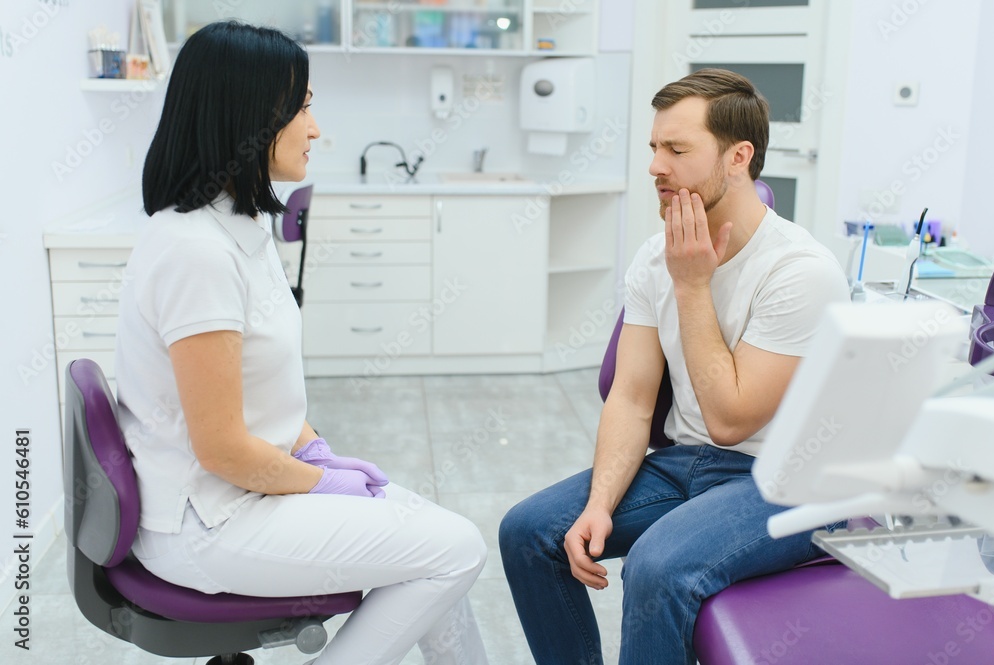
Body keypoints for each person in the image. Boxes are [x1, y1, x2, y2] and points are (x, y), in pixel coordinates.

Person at [115, 21, 488, 665]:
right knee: (456, 550)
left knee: (435, 542)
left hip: (241, 493)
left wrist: (316, 451)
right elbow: (221, 449)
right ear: (249, 116)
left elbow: (263, 390)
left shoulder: (239, 225)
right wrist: (318, 481)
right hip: (209, 522)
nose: (315, 129)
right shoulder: (195, 253)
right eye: (303, 107)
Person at [499, 68, 849, 665]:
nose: (655, 167)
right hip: (686, 464)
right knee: (529, 532)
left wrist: (692, 285)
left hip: (786, 480)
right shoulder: (653, 255)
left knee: (657, 566)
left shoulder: (800, 272)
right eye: (654, 147)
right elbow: (632, 397)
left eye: (677, 150)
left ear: (739, 157)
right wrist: (599, 503)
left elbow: (731, 422)